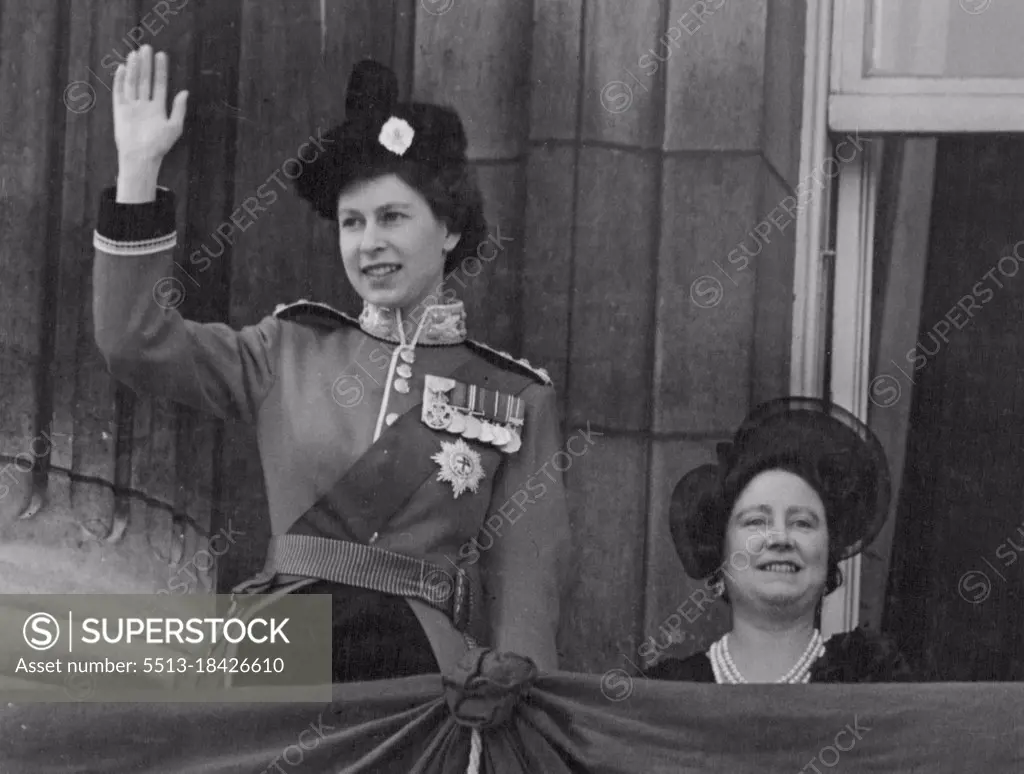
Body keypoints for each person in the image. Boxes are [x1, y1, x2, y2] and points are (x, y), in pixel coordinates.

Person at [92, 46, 570, 682]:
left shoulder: (516, 398)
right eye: (352, 222)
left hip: (418, 684)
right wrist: (138, 169)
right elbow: (133, 340)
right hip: (282, 659)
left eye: (392, 217)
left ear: (449, 229)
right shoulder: (285, 349)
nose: (369, 243)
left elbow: (527, 597)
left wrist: (515, 698)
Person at [647, 397, 914, 683]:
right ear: (720, 555)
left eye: (802, 523)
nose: (780, 539)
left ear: (828, 553)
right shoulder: (664, 694)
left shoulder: (871, 684)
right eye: (756, 522)